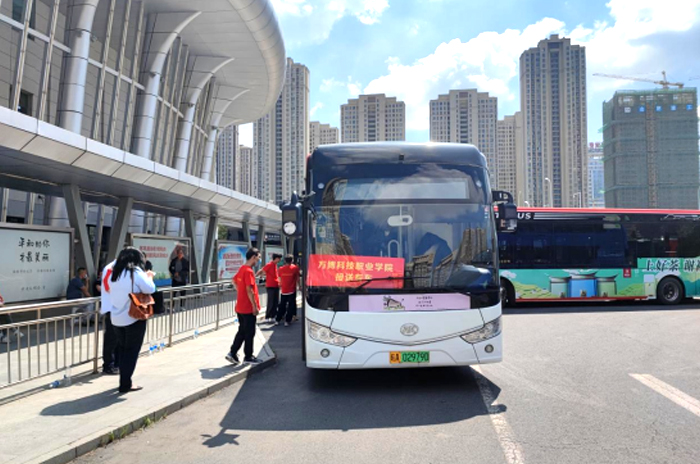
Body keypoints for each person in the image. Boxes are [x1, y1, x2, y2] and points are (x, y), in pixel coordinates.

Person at [109, 247, 156, 393]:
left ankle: (124, 380)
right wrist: (149, 276)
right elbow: (150, 289)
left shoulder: (115, 273)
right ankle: (125, 383)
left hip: (116, 318)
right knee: (131, 351)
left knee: (123, 349)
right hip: (133, 317)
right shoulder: (135, 272)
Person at [225, 248, 264, 365]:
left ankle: (232, 352)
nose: (259, 260)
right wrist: (254, 306)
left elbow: (234, 281)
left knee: (242, 331)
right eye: (258, 257)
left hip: (240, 307)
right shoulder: (249, 271)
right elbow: (249, 289)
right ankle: (248, 356)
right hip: (248, 308)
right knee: (249, 332)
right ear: (253, 257)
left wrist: (240, 292)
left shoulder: (242, 269)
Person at [99, 261, 119, 375]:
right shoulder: (110, 269)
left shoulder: (116, 268)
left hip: (116, 308)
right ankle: (108, 364)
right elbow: (108, 287)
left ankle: (115, 362)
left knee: (116, 339)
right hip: (112, 308)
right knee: (111, 338)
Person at [276, 255, 301, 327]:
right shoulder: (295, 268)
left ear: (285, 261)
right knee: (291, 306)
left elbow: (279, 279)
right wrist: (299, 286)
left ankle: (278, 320)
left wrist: (280, 285)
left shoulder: (281, 269)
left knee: (282, 305)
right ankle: (287, 321)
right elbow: (298, 278)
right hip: (292, 290)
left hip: (283, 290)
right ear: (292, 260)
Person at [256, 253, 282, 322]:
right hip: (270, 286)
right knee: (271, 301)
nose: (280, 260)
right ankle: (267, 316)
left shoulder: (275, 265)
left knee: (275, 302)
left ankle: (273, 316)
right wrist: (255, 276)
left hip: (276, 285)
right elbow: (262, 270)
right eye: (279, 258)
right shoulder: (270, 264)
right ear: (276, 258)